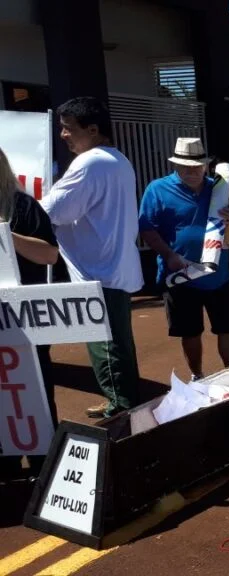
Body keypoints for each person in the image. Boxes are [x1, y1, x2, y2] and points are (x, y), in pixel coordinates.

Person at [40, 96, 143, 419]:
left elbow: (52, 212)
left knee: (107, 348)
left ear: (93, 129)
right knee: (115, 345)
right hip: (112, 269)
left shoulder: (90, 163)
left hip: (99, 272)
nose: (63, 135)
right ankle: (120, 401)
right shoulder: (116, 161)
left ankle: (124, 414)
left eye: (69, 129)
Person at [138, 137, 229, 381]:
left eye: (196, 166)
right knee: (190, 332)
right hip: (180, 275)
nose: (191, 171)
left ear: (206, 165)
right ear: (175, 165)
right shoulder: (157, 189)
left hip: (218, 273)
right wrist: (169, 255)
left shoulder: (219, 189)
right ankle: (198, 375)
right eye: (184, 166)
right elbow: (146, 228)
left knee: (227, 327)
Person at [0, 147, 61, 478]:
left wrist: (6, 236)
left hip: (25, 320)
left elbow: (50, 255)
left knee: (35, 390)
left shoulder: (23, 206)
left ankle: (45, 465)